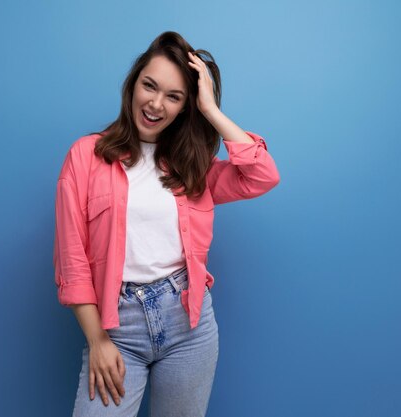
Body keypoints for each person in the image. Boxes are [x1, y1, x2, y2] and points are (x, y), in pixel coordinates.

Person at [53, 31, 280, 417]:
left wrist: (210, 109)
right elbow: (72, 262)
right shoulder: (85, 157)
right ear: (133, 84)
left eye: (174, 97)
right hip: (116, 328)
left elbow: (261, 175)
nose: (156, 104)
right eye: (149, 86)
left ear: (184, 107)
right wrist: (98, 340)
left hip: (189, 326)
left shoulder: (193, 167)